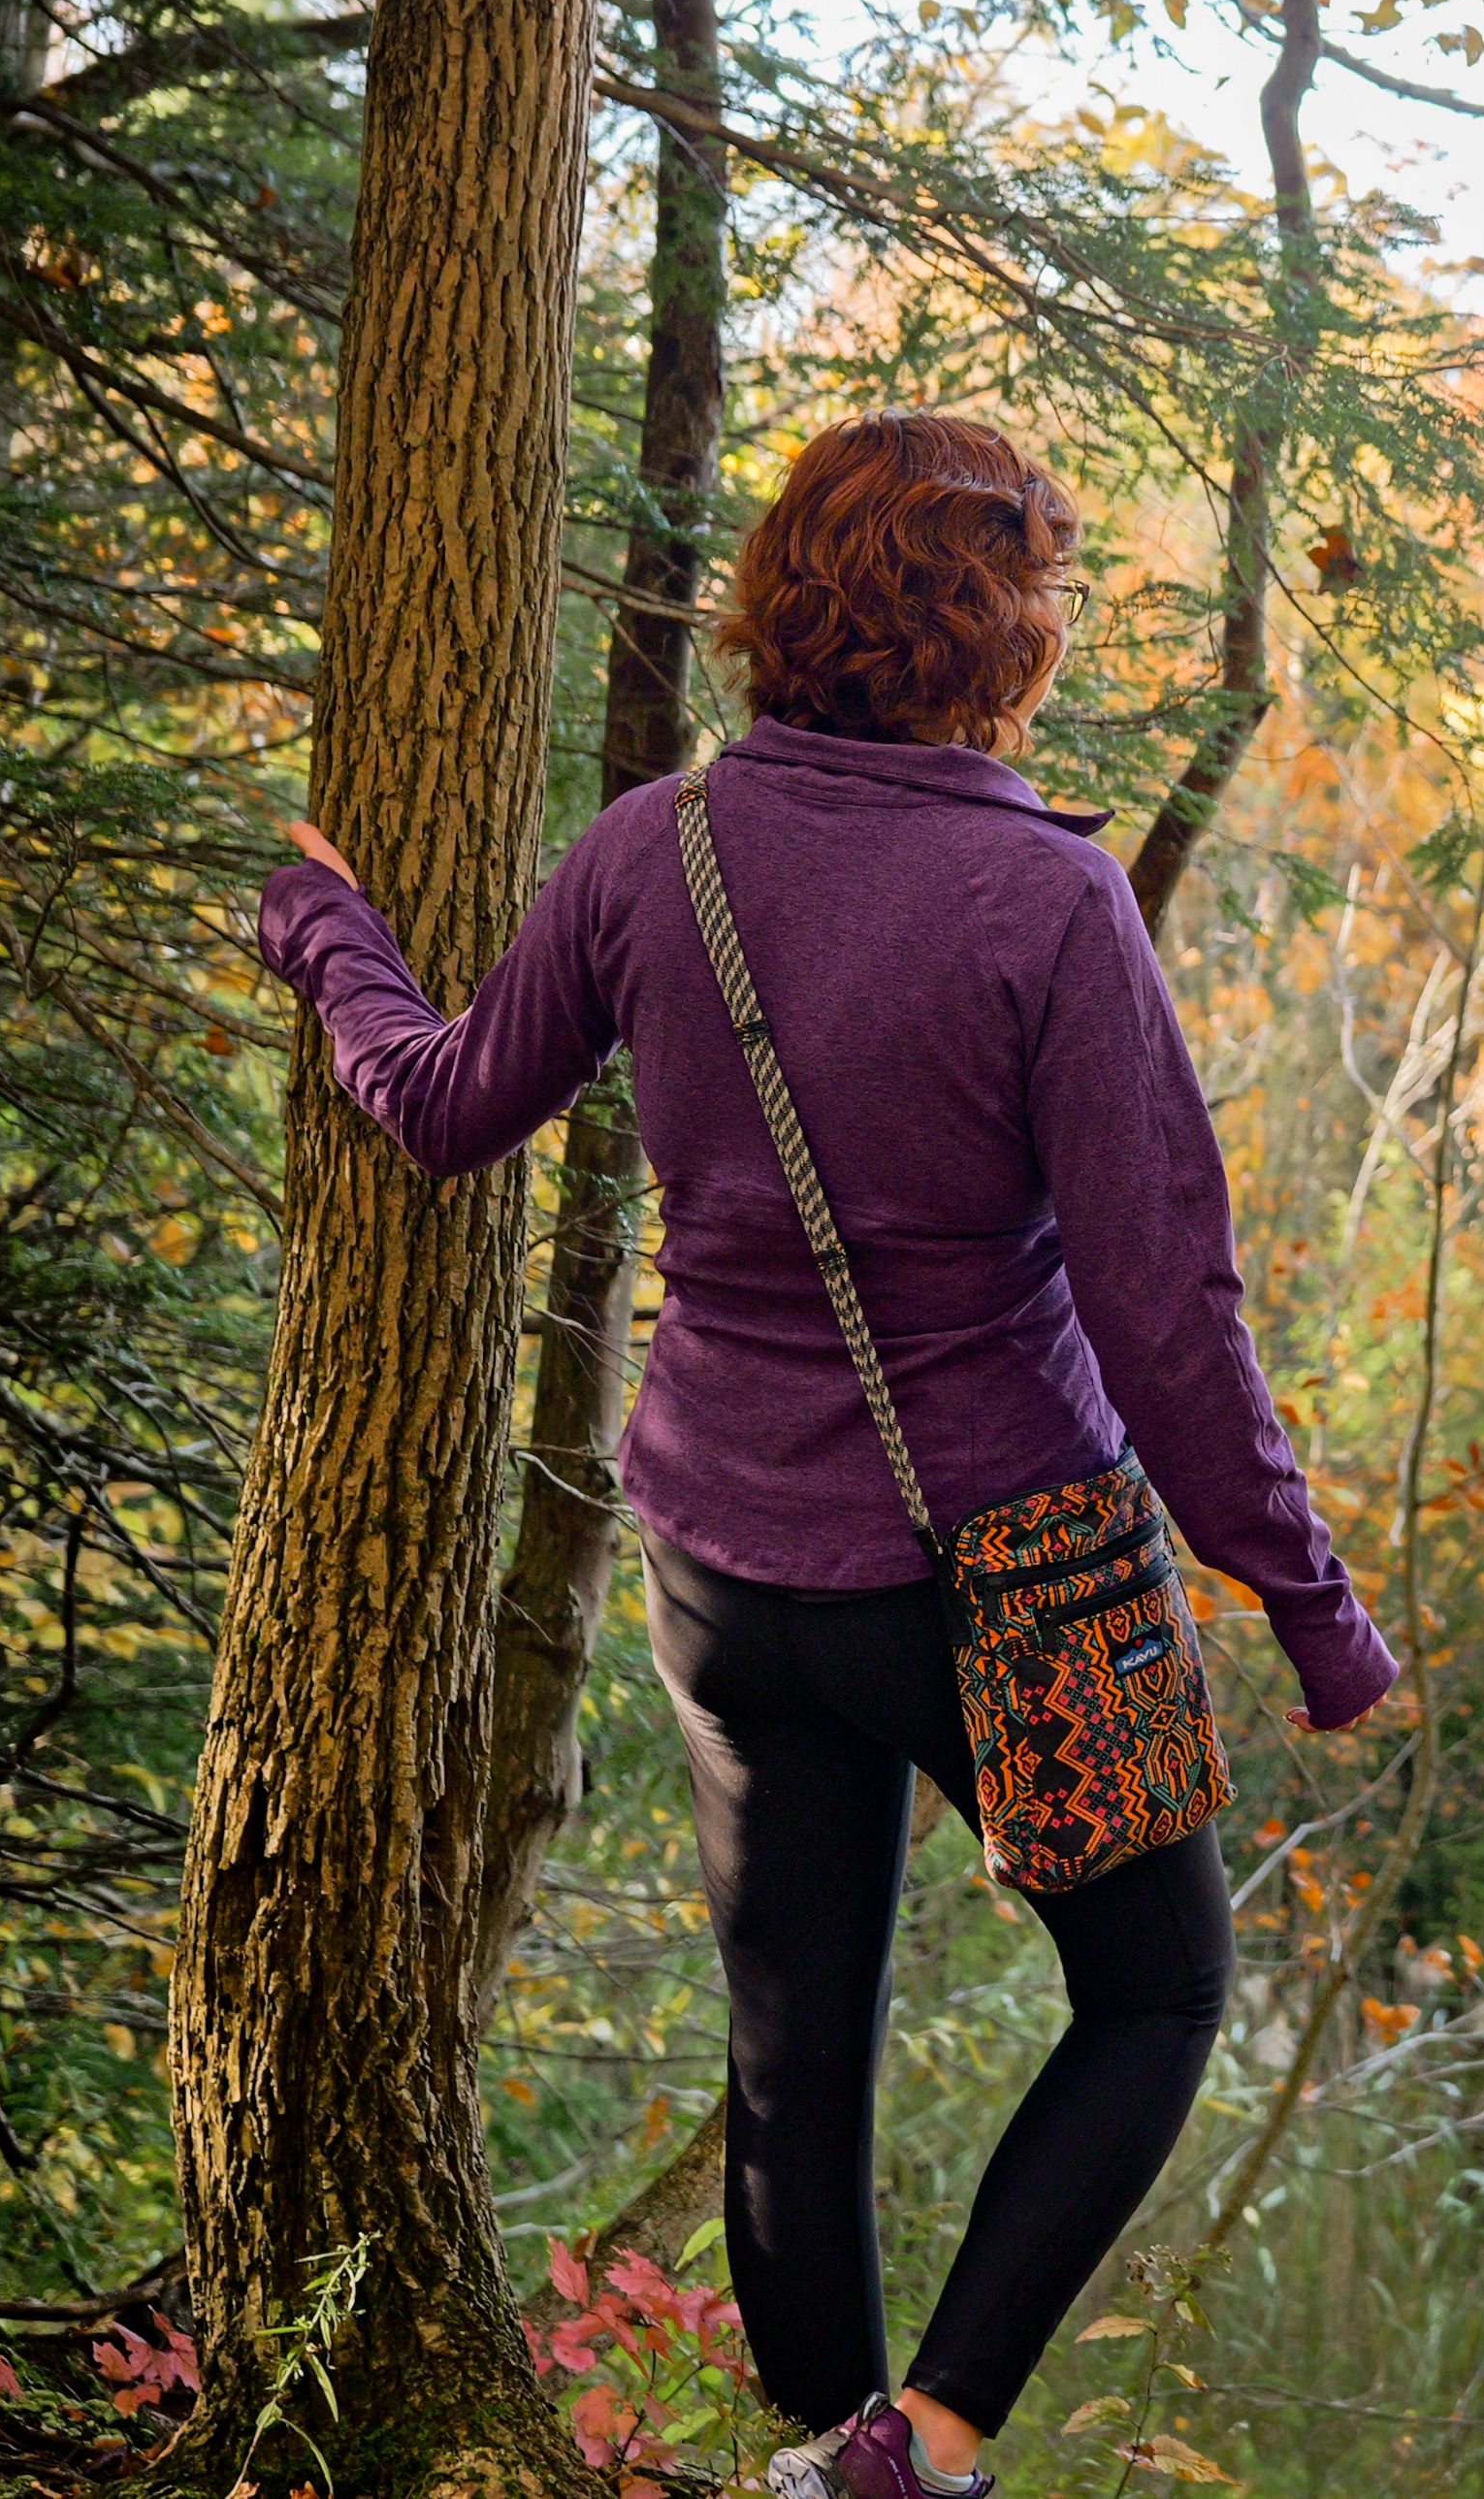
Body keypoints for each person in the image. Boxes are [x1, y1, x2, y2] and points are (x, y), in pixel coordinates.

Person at [253, 414, 1397, 2499]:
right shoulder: (1050, 901)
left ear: (788, 602)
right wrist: (1313, 1611)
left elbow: (437, 1102)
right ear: (999, 635)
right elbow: (1168, 1320)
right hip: (1002, 1572)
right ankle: (920, 2443)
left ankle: (818, 2457)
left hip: (720, 1569)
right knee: (1155, 1990)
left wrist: (324, 927)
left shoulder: (655, 846)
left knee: (795, 2051)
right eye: (1044, 590)